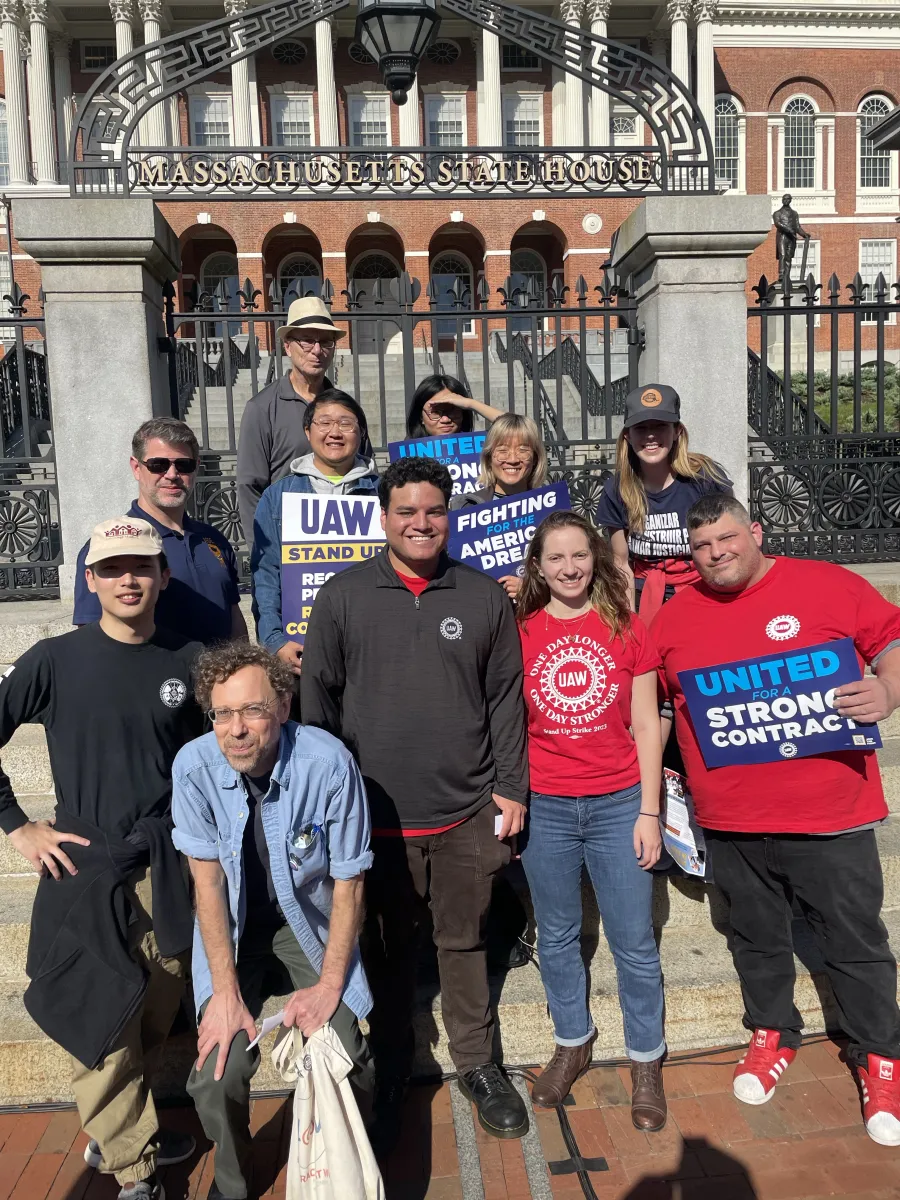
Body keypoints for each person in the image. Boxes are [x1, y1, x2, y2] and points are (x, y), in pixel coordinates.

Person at [651, 493, 900, 1146]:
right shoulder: (677, 617)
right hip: (732, 821)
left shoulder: (825, 583)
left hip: (831, 815)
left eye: (728, 539)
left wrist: (888, 689)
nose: (717, 553)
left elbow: (891, 640)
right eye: (702, 547)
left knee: (854, 942)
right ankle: (773, 1032)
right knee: (755, 938)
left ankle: (881, 1057)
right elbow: (645, 693)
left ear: (754, 531)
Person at [300, 456, 530, 1150]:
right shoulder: (342, 597)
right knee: (389, 951)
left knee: (463, 944)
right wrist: (326, 804)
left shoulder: (482, 594)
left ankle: (478, 1065)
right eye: (407, 511)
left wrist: (512, 787)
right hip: (375, 819)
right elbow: (318, 705)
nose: (421, 523)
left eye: (434, 511)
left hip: (464, 811)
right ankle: (393, 1063)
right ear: (384, 516)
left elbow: (505, 700)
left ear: (448, 514)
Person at [0, 517, 204, 1200]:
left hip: (166, 864)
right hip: (84, 868)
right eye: (112, 569)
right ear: (91, 579)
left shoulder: (188, 660)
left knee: (153, 1006)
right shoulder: (54, 659)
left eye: (140, 567)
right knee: (101, 1014)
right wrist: (16, 826)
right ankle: (134, 1167)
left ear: (163, 576)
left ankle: (122, 1127)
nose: (128, 580)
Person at [171, 643, 374, 1200]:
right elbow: (207, 885)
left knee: (345, 1049)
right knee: (217, 1072)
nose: (237, 729)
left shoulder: (327, 763)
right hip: (230, 933)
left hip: (306, 922)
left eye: (253, 710)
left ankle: (351, 1155)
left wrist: (331, 985)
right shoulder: (193, 767)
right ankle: (233, 1185)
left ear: (283, 707)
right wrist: (224, 993)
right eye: (222, 714)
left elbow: (350, 884)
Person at [516, 511, 667, 1129]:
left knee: (633, 940)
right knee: (555, 936)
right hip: (546, 806)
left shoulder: (626, 629)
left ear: (596, 561)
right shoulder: (519, 633)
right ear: (538, 567)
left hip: (617, 802)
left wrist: (650, 811)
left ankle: (646, 1060)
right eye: (556, 558)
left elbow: (647, 727)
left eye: (580, 556)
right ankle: (572, 1040)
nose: (570, 568)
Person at [73, 417, 246, 645]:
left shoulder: (214, 540)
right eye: (158, 465)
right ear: (136, 468)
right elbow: (92, 639)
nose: (172, 474)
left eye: (183, 465)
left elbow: (234, 619)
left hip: (221, 678)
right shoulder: (111, 545)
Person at [252, 389, 379, 677]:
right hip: (302, 651)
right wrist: (275, 641)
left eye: (346, 424)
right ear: (308, 432)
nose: (335, 432)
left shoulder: (384, 493)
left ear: (361, 433)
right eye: (325, 423)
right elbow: (267, 574)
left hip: (372, 649)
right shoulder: (278, 496)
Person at [596, 384, 731, 624]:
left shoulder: (706, 479)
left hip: (705, 589)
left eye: (660, 426)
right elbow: (620, 562)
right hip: (647, 595)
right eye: (641, 428)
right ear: (627, 435)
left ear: (677, 430)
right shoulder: (617, 490)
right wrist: (631, 621)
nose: (650, 435)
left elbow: (731, 544)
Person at [237, 297, 343, 543]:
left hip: (343, 540)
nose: (317, 350)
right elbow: (249, 488)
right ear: (287, 346)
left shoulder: (346, 409)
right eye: (307, 340)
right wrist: (262, 556)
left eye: (326, 341)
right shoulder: (261, 408)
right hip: (288, 545)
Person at [450, 412, 548, 599]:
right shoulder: (463, 508)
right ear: (489, 457)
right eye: (502, 450)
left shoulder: (552, 510)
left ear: (535, 457)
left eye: (523, 449)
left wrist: (532, 589)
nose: (512, 459)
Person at [405, 373, 504, 439]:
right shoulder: (407, 453)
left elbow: (515, 427)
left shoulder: (481, 447)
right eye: (435, 412)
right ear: (421, 417)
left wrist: (471, 403)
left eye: (452, 411)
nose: (445, 420)